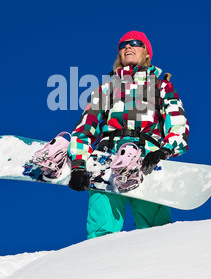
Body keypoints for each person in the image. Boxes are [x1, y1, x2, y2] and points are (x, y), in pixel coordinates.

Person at [67, 30, 189, 238]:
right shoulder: (106, 88)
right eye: (123, 45)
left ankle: (161, 267)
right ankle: (97, 267)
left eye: (134, 43)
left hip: (145, 159)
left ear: (146, 52)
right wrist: (78, 165)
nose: (128, 47)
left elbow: (177, 123)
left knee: (156, 230)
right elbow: (85, 127)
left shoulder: (161, 86)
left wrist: (164, 151)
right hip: (107, 161)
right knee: (101, 227)